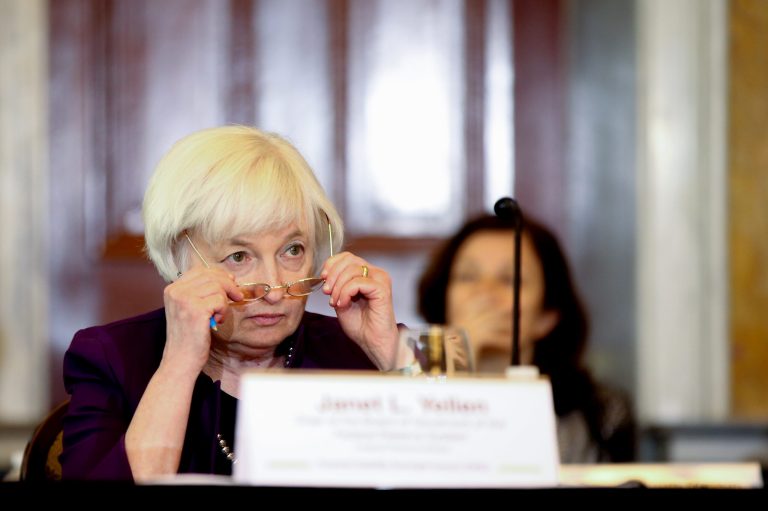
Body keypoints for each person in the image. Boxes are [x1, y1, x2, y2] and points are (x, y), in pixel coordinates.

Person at [60, 125, 404, 481]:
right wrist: (179, 364)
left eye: (292, 250)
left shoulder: (357, 348)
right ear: (180, 257)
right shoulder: (112, 358)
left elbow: (459, 467)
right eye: (239, 256)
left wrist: (386, 349)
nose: (274, 289)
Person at [417, 213, 636, 463]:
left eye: (510, 280)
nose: (485, 294)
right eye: (467, 276)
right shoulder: (408, 391)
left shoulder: (601, 413)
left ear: (547, 316)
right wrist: (455, 356)